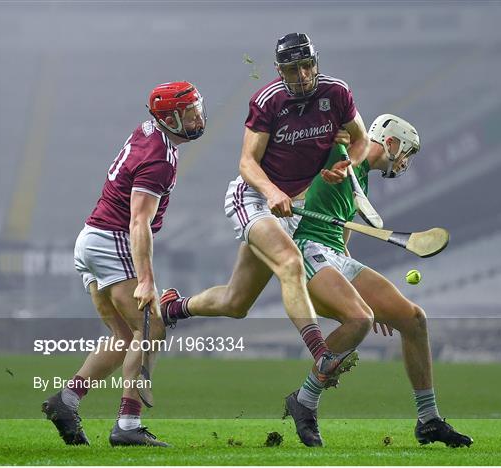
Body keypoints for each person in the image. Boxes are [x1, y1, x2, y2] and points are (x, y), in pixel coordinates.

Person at [161, 32, 371, 385]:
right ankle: (322, 356)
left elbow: (362, 139)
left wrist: (348, 164)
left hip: (295, 206)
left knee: (235, 303)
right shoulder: (268, 101)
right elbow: (247, 162)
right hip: (255, 198)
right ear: (279, 70)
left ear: (316, 63)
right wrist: (272, 192)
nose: (302, 75)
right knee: (289, 262)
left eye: (307, 66)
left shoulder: (337, 93)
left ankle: (173, 307)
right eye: (292, 69)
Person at [283, 114, 473, 448]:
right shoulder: (339, 150)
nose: (405, 162)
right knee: (358, 319)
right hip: (307, 249)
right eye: (407, 152)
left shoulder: (362, 181)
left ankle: (428, 420)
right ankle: (304, 401)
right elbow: (307, 150)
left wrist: (359, 292)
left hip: (335, 255)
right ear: (392, 142)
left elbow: (341, 235)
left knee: (413, 319)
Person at [41, 81, 207, 447]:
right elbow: (138, 221)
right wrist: (146, 280)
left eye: (198, 106)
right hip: (113, 239)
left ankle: (66, 401)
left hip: (90, 238)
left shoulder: (149, 130)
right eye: (190, 111)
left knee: (124, 335)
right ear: (171, 118)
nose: (198, 115)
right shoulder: (160, 158)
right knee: (152, 328)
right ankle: (128, 426)